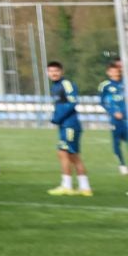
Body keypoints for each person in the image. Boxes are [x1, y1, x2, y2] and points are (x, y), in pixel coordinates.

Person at [46, 61, 91, 196]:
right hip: (64, 125)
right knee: (65, 154)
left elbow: (72, 102)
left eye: (56, 71)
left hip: (70, 125)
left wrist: (57, 118)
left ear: (62, 71)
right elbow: (59, 105)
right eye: (50, 71)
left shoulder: (66, 84)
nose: (54, 73)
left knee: (71, 155)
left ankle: (74, 186)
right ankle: (78, 187)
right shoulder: (55, 86)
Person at [100, 59, 126, 177]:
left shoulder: (124, 83)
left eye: (117, 70)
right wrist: (113, 112)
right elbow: (103, 103)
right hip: (115, 120)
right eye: (112, 71)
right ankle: (122, 164)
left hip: (126, 118)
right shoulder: (105, 86)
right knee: (116, 143)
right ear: (108, 72)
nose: (115, 73)